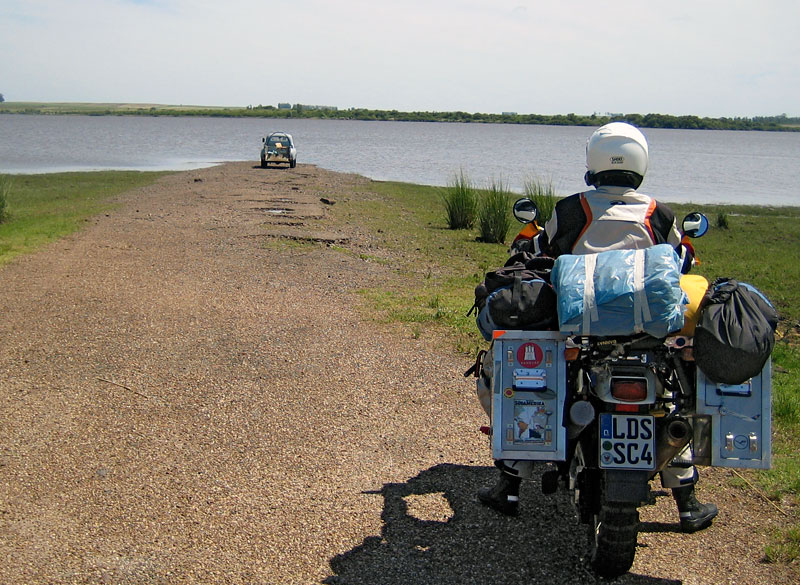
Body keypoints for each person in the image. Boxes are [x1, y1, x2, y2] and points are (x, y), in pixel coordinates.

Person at [477, 122, 718, 534]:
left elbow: (540, 251)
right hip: (646, 333)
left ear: (593, 162)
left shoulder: (572, 209)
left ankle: (511, 483)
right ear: (640, 162)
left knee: (525, 379)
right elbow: (679, 261)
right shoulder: (657, 213)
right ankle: (686, 500)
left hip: (581, 326)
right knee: (671, 398)